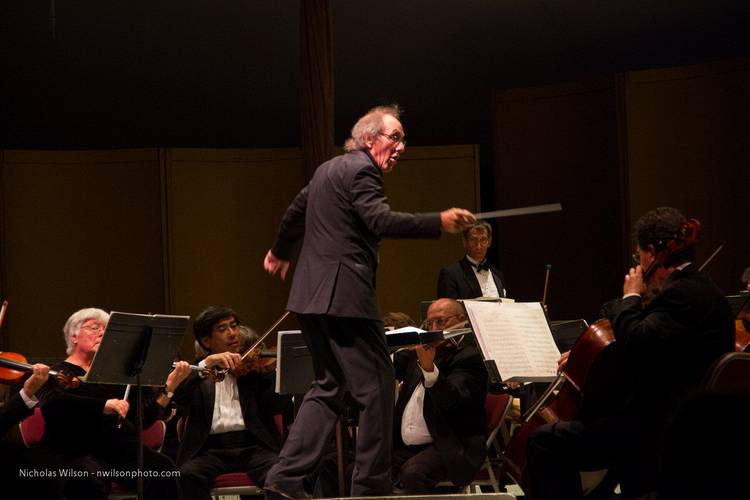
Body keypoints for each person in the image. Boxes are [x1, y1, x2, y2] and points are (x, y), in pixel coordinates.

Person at [262, 104, 475, 498]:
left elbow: (295, 211)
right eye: (394, 137)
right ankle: (372, 486)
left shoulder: (327, 170)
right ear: (368, 138)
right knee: (376, 385)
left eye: (403, 140)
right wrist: (437, 222)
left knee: (329, 385)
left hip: (310, 297)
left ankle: (285, 478)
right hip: (344, 296)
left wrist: (279, 251)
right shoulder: (362, 169)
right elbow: (379, 219)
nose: (401, 146)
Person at [525, 207, 735, 499]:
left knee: (544, 441)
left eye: (639, 256)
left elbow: (637, 342)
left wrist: (631, 295)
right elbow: (653, 354)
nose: (638, 262)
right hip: (681, 424)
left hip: (659, 432)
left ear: (651, 253)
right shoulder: (705, 291)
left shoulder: (681, 295)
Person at [36, 307, 186, 500]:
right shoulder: (57, 372)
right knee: (89, 479)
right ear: (73, 336)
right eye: (93, 327)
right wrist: (103, 405)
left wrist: (168, 389)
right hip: (76, 451)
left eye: (106, 329)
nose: (101, 333)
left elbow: (143, 420)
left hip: (119, 452)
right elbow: (52, 403)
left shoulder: (120, 376)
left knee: (162, 469)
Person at [172, 305, 289, 500]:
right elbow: (180, 397)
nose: (233, 333)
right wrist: (205, 366)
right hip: (210, 450)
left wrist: (276, 374)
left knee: (282, 474)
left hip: (254, 446)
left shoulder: (252, 368)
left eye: (234, 326)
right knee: (186, 476)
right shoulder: (196, 372)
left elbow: (276, 406)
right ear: (206, 341)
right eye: (222, 329)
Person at [391, 298, 487, 493]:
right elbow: (391, 365)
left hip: (450, 444)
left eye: (441, 322)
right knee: (363, 468)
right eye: (430, 323)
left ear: (461, 320)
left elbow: (452, 400)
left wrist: (429, 368)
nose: (434, 329)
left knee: (414, 473)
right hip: (409, 446)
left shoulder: (470, 357)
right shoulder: (421, 351)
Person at [437, 220, 507, 299]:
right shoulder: (450, 275)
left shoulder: (498, 275)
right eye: (473, 240)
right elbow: (447, 310)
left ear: (489, 242)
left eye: (483, 240)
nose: (478, 246)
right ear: (464, 242)